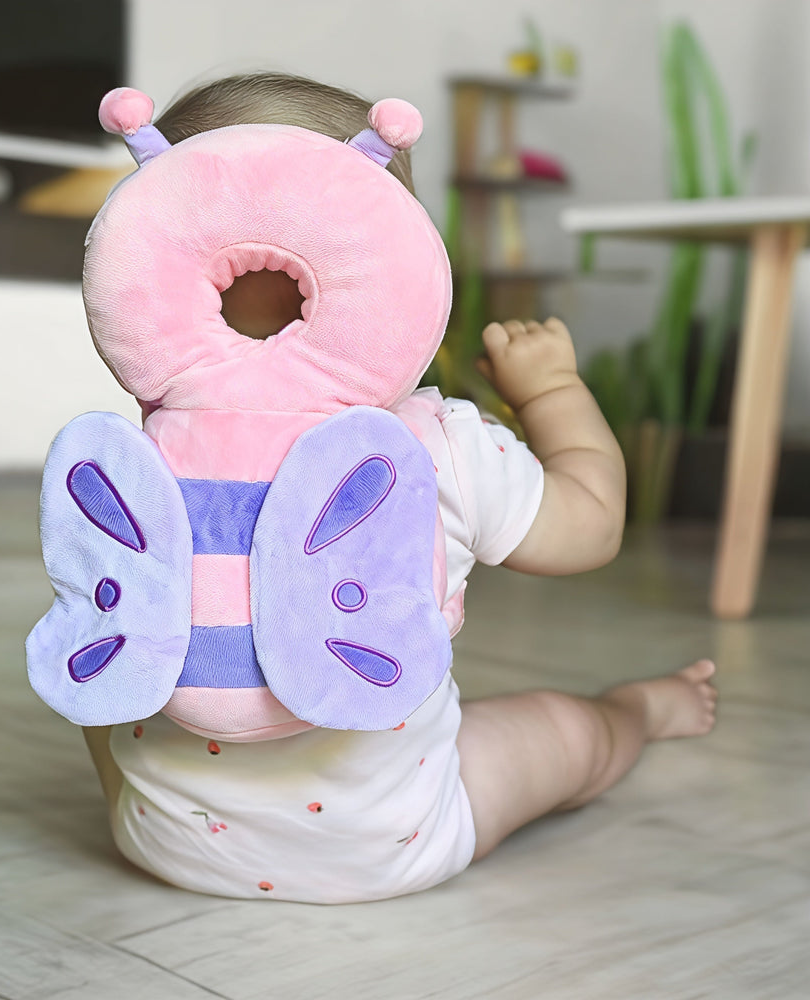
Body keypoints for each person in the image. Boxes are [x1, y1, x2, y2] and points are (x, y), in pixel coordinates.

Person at [76, 73, 718, 903]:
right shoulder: (435, 446)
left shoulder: (124, 465)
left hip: (160, 840)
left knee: (99, 645)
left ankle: (146, 798)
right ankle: (638, 712)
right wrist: (553, 392)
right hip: (399, 843)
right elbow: (589, 526)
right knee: (568, 734)